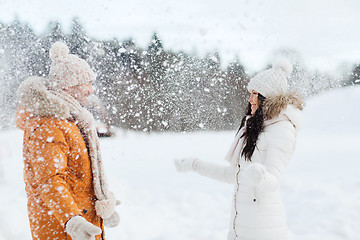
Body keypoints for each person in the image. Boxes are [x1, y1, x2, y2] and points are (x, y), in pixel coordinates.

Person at [174, 59, 304, 240]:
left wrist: (261, 176)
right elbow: (233, 175)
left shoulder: (282, 129)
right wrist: (195, 164)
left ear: (267, 97)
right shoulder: (255, 128)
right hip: (240, 227)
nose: (250, 99)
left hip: (263, 229)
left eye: (255, 94)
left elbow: (273, 182)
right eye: (250, 93)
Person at [16, 42, 120, 240]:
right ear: (69, 86)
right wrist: (72, 220)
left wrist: (102, 204)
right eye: (87, 83)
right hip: (61, 230)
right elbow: (50, 180)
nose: (91, 90)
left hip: (82, 223)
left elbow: (80, 177)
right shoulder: (47, 125)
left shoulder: (72, 122)